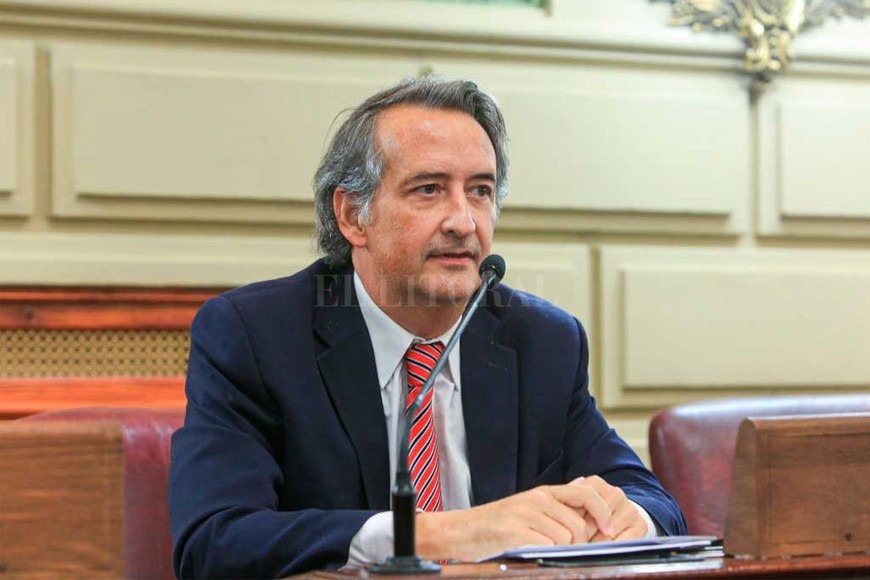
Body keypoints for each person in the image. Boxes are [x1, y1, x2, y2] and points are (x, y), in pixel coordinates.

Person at [169, 76, 686, 578]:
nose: (463, 221)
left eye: (480, 191)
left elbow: (655, 505)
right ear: (353, 216)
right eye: (429, 189)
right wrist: (442, 534)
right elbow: (213, 541)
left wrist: (623, 523)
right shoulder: (256, 336)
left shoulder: (541, 341)